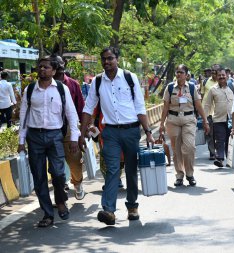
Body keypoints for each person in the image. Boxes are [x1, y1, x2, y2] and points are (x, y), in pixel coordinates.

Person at [78, 47, 154, 225]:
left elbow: (140, 107)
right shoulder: (97, 82)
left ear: (117, 59)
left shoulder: (129, 77)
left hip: (131, 131)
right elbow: (88, 109)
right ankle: (109, 210)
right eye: (104, 59)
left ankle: (132, 206)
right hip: (110, 132)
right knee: (112, 169)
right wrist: (82, 134)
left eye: (110, 58)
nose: (107, 62)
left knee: (130, 169)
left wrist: (149, 132)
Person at [18, 56, 80, 227]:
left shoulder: (62, 89)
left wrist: (74, 137)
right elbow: (23, 116)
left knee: (59, 174)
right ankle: (47, 214)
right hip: (34, 137)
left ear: (53, 71)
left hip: (55, 136)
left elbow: (71, 114)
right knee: (39, 177)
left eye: (46, 67)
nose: (42, 69)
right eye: (40, 67)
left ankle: (61, 202)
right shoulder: (30, 90)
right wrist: (21, 140)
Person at [159, 64, 209, 187]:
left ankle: (190, 174)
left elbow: (198, 105)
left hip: (188, 119)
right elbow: (165, 107)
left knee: (189, 147)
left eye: (181, 72)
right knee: (176, 150)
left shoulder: (192, 88)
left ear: (186, 75)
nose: (178, 74)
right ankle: (179, 175)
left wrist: (205, 120)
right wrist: (161, 124)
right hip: (173, 120)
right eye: (177, 72)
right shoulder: (170, 88)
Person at [53, 55, 86, 200]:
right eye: (55, 63)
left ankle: (77, 182)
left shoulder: (73, 84)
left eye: (61, 62)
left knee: (74, 159)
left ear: (64, 63)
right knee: (54, 162)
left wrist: (84, 129)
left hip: (69, 128)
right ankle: (61, 188)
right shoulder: (43, 85)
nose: (59, 65)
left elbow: (80, 108)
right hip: (51, 129)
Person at [203, 68, 234, 167]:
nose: (221, 77)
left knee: (229, 139)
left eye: (223, 75)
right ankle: (219, 159)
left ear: (227, 76)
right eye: (219, 75)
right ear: (216, 77)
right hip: (218, 119)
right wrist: (205, 120)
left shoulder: (232, 87)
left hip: (231, 119)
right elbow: (207, 105)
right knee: (220, 139)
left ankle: (229, 159)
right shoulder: (213, 89)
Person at [202, 64, 220, 160]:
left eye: (216, 71)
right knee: (209, 133)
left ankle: (219, 151)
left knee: (218, 133)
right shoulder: (205, 81)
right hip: (207, 111)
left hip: (219, 111)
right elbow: (201, 95)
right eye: (212, 71)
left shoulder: (223, 81)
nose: (214, 73)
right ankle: (212, 152)